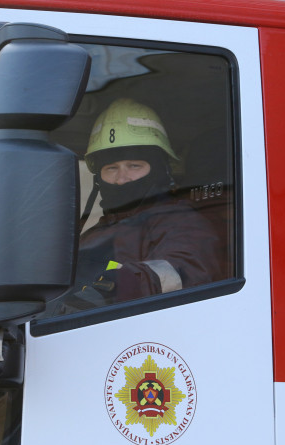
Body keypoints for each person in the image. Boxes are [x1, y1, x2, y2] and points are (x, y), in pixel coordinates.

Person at [57, 98, 221, 313]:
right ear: (99, 177)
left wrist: (115, 287)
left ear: (160, 170)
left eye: (134, 166)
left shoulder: (181, 222)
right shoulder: (96, 233)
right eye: (111, 168)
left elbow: (187, 271)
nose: (121, 179)